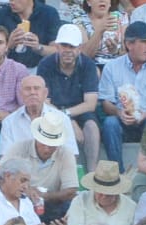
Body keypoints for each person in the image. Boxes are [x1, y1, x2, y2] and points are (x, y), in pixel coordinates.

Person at [97, 20, 146, 165]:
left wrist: (145, 114)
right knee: (110, 123)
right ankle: (117, 172)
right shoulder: (112, 67)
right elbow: (106, 103)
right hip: (122, 120)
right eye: (144, 42)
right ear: (129, 44)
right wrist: (119, 113)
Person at [36, 23, 101, 171]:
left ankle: (92, 172)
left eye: (71, 46)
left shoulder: (88, 65)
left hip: (79, 111)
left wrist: (67, 116)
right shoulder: (45, 65)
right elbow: (44, 102)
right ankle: (68, 174)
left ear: (79, 49)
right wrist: (67, 121)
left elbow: (90, 104)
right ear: (57, 47)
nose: (67, 50)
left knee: (91, 126)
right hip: (53, 112)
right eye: (64, 46)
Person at [2, 111, 79, 225]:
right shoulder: (20, 147)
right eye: (43, 143)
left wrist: (44, 196)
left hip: (50, 203)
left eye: (51, 145)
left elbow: (71, 190)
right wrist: (23, 188)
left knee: (67, 205)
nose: (47, 149)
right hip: (19, 198)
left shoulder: (65, 154)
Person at [2, 74, 80, 155]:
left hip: (54, 165)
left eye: (36, 88)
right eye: (27, 89)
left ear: (45, 93)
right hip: (20, 166)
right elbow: (5, 157)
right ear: (21, 94)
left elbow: (71, 154)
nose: (32, 92)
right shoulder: (9, 122)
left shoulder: (61, 118)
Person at [67, 159, 134, 225]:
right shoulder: (80, 201)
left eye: (108, 194)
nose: (103, 196)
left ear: (117, 192)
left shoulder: (131, 207)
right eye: (100, 192)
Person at [0, 0, 63, 71]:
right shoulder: (0, 15)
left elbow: (57, 51)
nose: (11, 2)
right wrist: (9, 45)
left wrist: (38, 47)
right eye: (10, 0)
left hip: (39, 69)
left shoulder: (49, 13)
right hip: (7, 69)